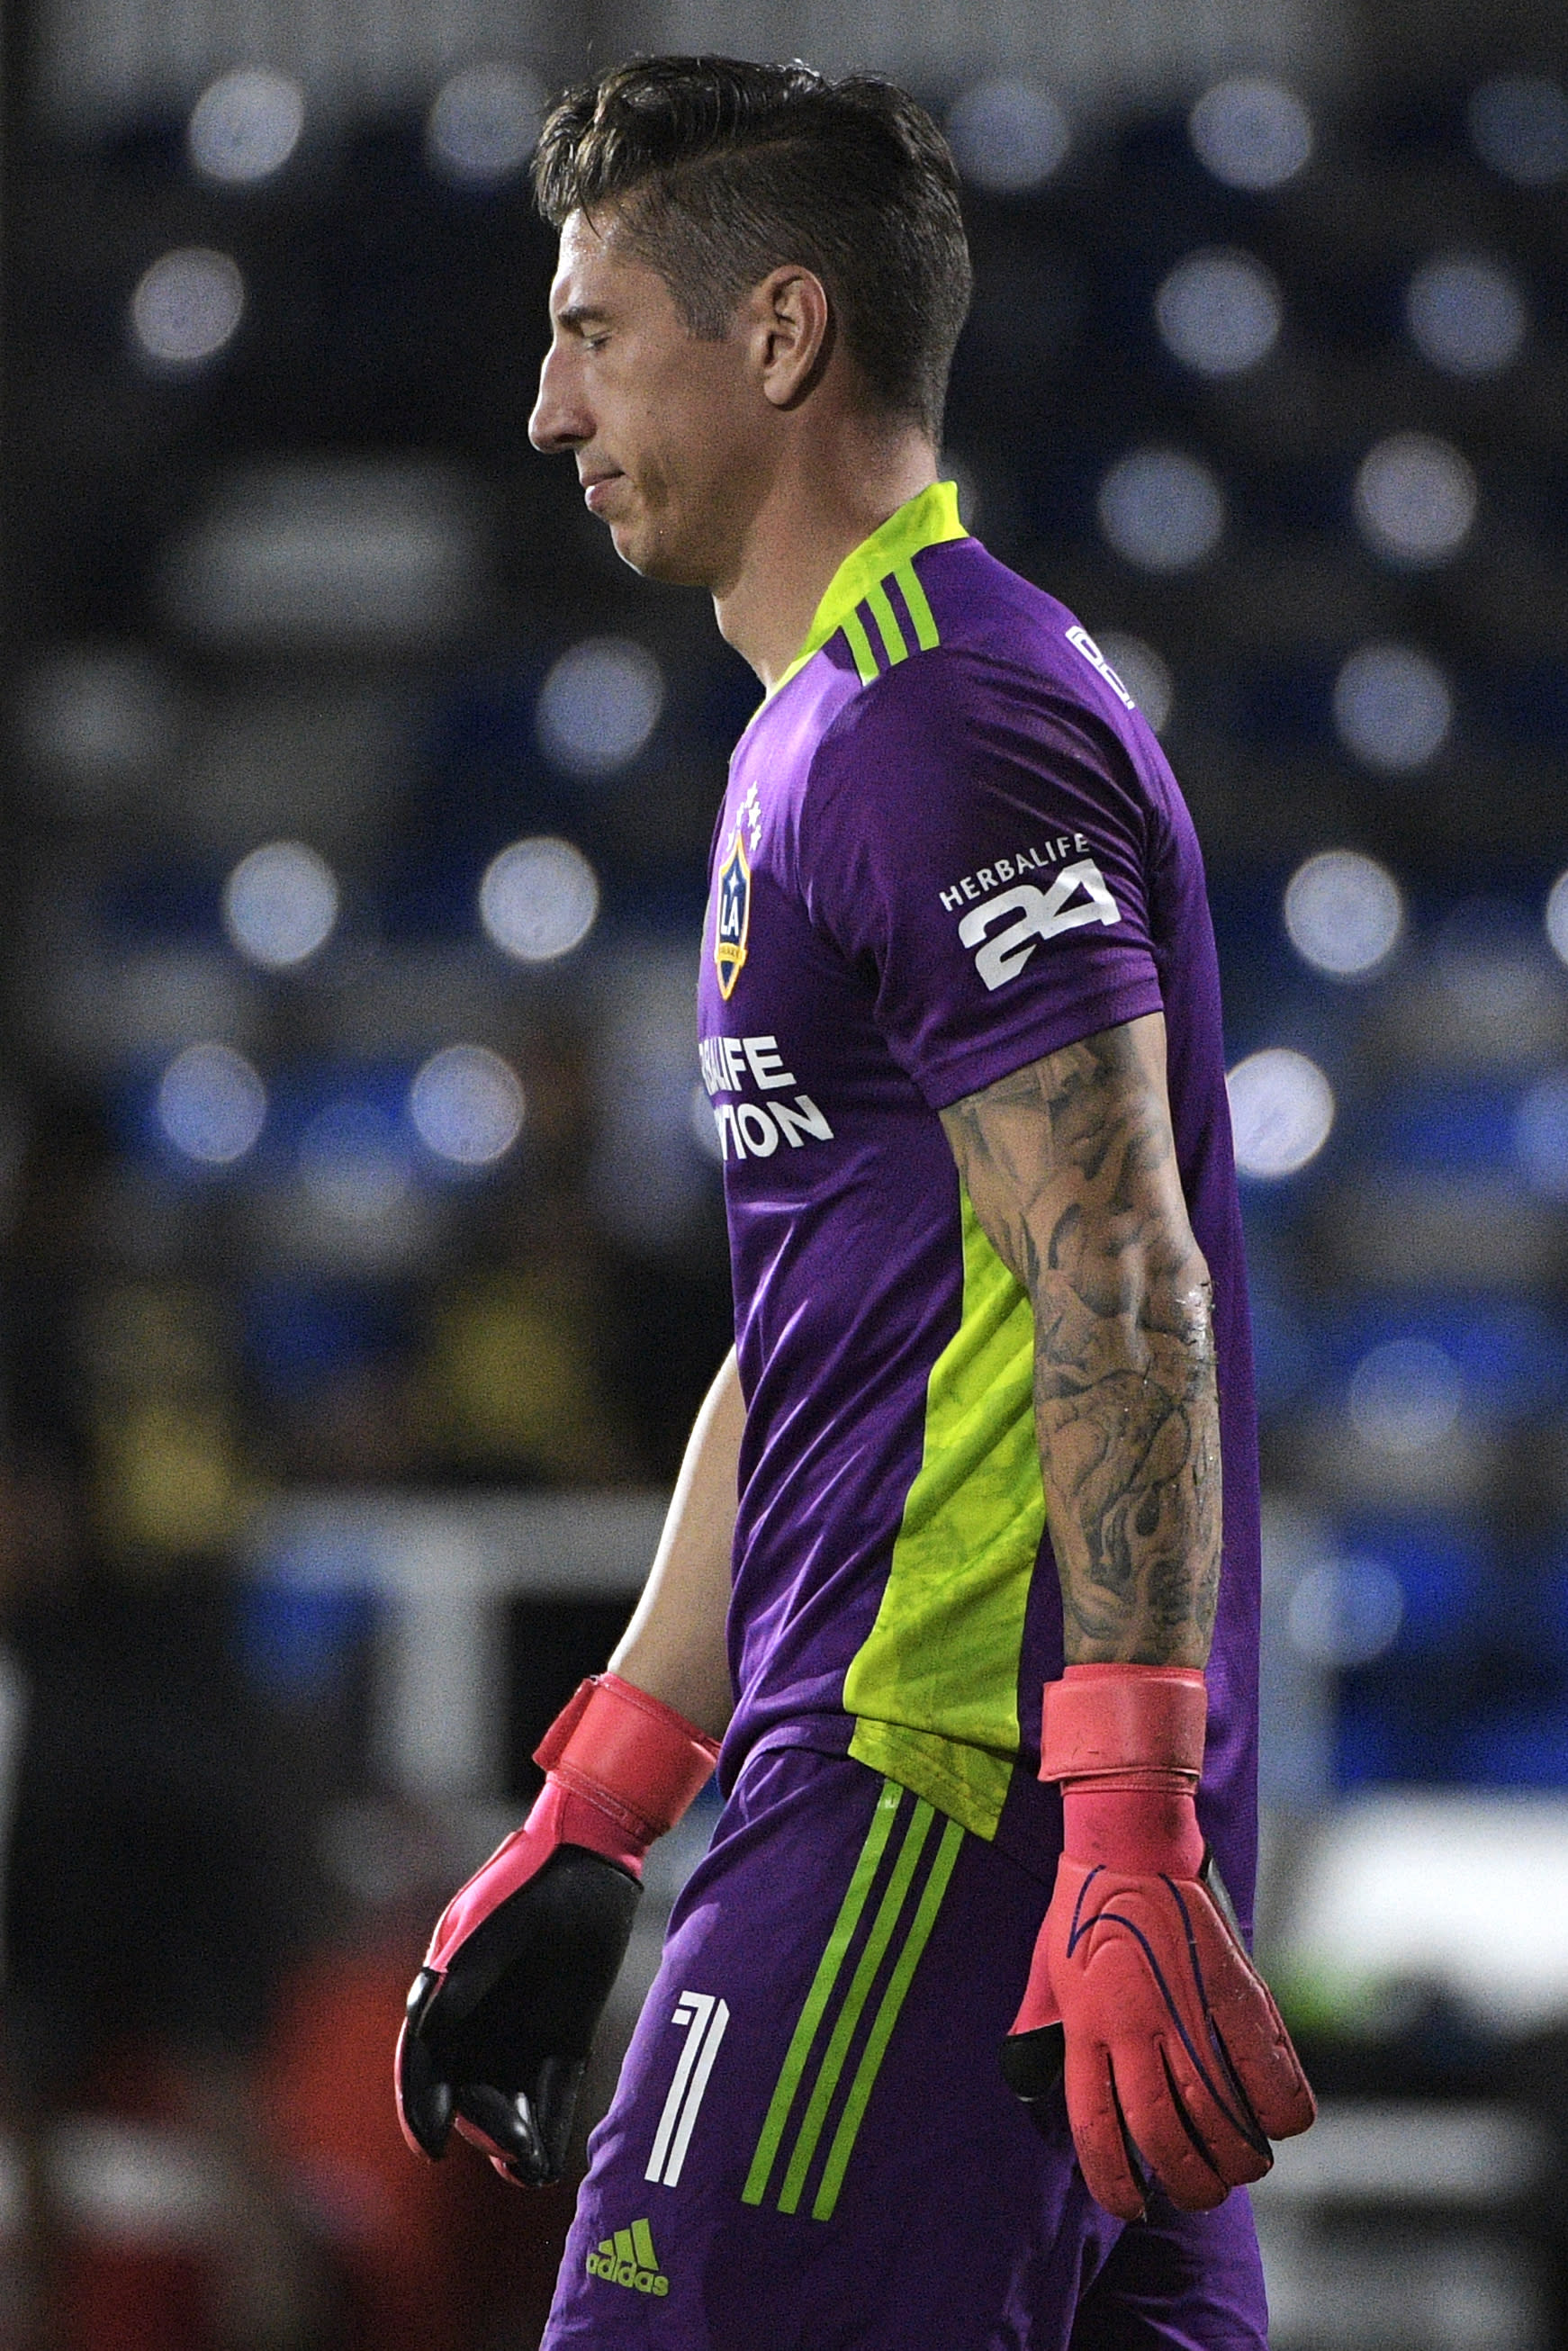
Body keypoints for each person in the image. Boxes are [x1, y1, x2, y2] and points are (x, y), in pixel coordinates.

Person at [395, 56, 1314, 2350]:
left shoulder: (931, 725)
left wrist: (1116, 1829)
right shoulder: (839, 720)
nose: (542, 404)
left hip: (941, 1808)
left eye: (594, 330)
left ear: (780, 333)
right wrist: (605, 1787)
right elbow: (836, 1313)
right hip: (984, 1818)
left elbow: (1117, 1271)